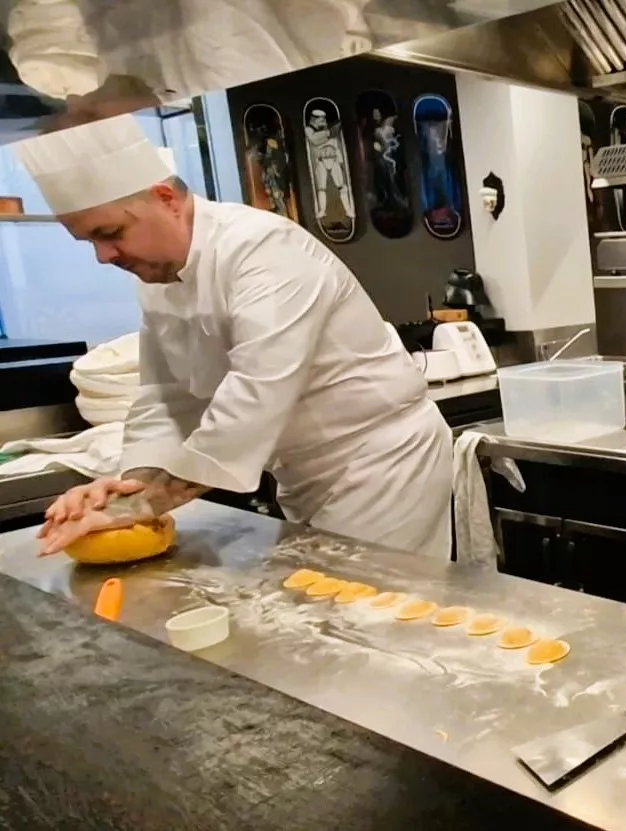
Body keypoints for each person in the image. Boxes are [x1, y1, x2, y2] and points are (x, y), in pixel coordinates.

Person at [17, 115, 453, 559]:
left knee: (377, 610)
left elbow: (256, 394)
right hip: (300, 473)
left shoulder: (265, 251)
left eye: (109, 233)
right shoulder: (156, 279)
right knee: (331, 608)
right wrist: (126, 488)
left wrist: (143, 504)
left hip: (383, 466)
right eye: (87, 241)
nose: (103, 256)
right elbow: (165, 397)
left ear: (165, 198)